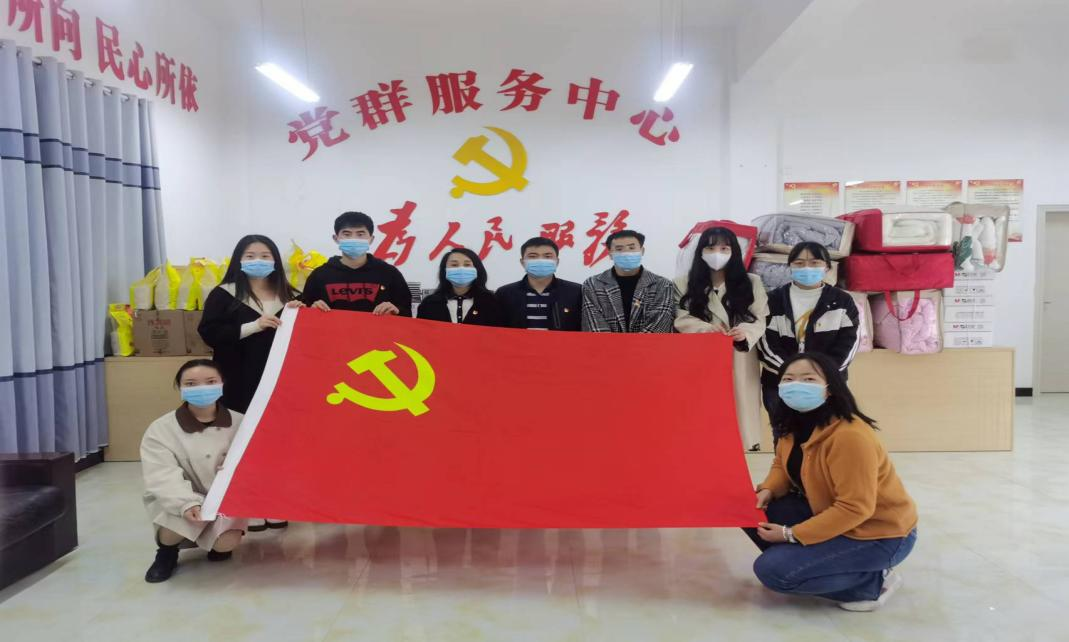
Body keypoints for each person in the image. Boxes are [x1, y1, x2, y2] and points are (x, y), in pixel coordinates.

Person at [749, 352, 917, 611]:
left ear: (830, 388)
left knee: (773, 572)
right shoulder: (792, 424)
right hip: (831, 513)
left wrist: (792, 535)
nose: (797, 386)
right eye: (789, 379)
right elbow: (782, 465)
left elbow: (855, 507)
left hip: (880, 533)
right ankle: (814, 563)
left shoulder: (849, 436)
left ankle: (872, 582)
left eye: (809, 379)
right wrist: (769, 489)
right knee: (750, 511)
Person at [141, 359, 248, 583]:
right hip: (180, 495)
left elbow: (257, 462)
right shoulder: (161, 428)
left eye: (210, 382)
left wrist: (239, 466)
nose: (202, 389)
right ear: (179, 388)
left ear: (222, 383)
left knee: (226, 543)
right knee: (177, 526)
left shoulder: (242, 422)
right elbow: (161, 473)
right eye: (191, 384)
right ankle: (167, 553)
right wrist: (186, 503)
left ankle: (214, 542)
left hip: (223, 499)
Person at [674, 227, 768, 450]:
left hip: (739, 355)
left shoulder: (752, 282)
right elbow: (680, 317)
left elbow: (760, 317)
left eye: (724, 248)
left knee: (740, 415)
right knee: (701, 415)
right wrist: (706, 330)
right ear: (700, 251)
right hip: (700, 356)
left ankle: (742, 455)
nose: (717, 253)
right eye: (710, 248)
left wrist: (744, 332)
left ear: (734, 251)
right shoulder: (682, 283)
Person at [757, 242, 859, 415]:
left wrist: (823, 374)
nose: (807, 268)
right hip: (781, 383)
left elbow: (850, 342)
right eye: (799, 263)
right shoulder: (773, 300)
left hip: (827, 385)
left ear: (827, 267)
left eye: (814, 262)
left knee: (827, 429)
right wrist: (791, 374)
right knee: (783, 430)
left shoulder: (842, 300)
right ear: (790, 267)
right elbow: (765, 343)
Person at [301, 211, 413, 316]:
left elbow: (407, 312)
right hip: (333, 330)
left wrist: (396, 310)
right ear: (336, 238)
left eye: (360, 234)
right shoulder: (320, 275)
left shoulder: (389, 273)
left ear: (371, 239)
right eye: (347, 234)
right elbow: (304, 312)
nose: (353, 239)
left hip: (378, 331)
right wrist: (310, 309)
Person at [581, 230, 677, 333]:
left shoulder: (662, 285)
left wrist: (635, 344)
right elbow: (594, 326)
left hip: (649, 343)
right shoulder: (593, 284)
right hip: (605, 343)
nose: (626, 253)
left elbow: (658, 326)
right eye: (619, 249)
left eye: (632, 248)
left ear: (642, 251)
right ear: (610, 254)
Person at [496, 237, 582, 331]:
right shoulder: (504, 293)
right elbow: (496, 331)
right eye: (533, 256)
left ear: (557, 262)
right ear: (522, 262)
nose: (540, 260)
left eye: (547, 256)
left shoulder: (576, 292)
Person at [416, 248, 505, 326]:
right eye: (454, 265)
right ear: (444, 270)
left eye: (467, 265)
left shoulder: (491, 302)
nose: (461, 269)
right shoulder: (429, 303)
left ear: (477, 269)